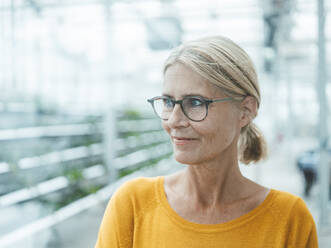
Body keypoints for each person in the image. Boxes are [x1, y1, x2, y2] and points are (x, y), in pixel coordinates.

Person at [95, 36, 318, 247]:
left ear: (245, 110)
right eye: (168, 102)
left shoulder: (289, 220)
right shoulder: (133, 205)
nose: (174, 121)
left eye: (195, 102)